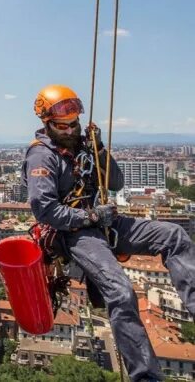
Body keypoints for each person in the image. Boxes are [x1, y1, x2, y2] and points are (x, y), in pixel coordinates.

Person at [23, 84, 195, 382]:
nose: (71, 129)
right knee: (120, 291)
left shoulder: (83, 147)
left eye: (74, 122)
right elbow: (46, 211)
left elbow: (115, 182)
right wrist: (89, 215)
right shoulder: (42, 157)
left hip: (103, 221)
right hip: (73, 231)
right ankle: (146, 377)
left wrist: (99, 148)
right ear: (47, 123)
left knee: (174, 236)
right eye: (64, 124)